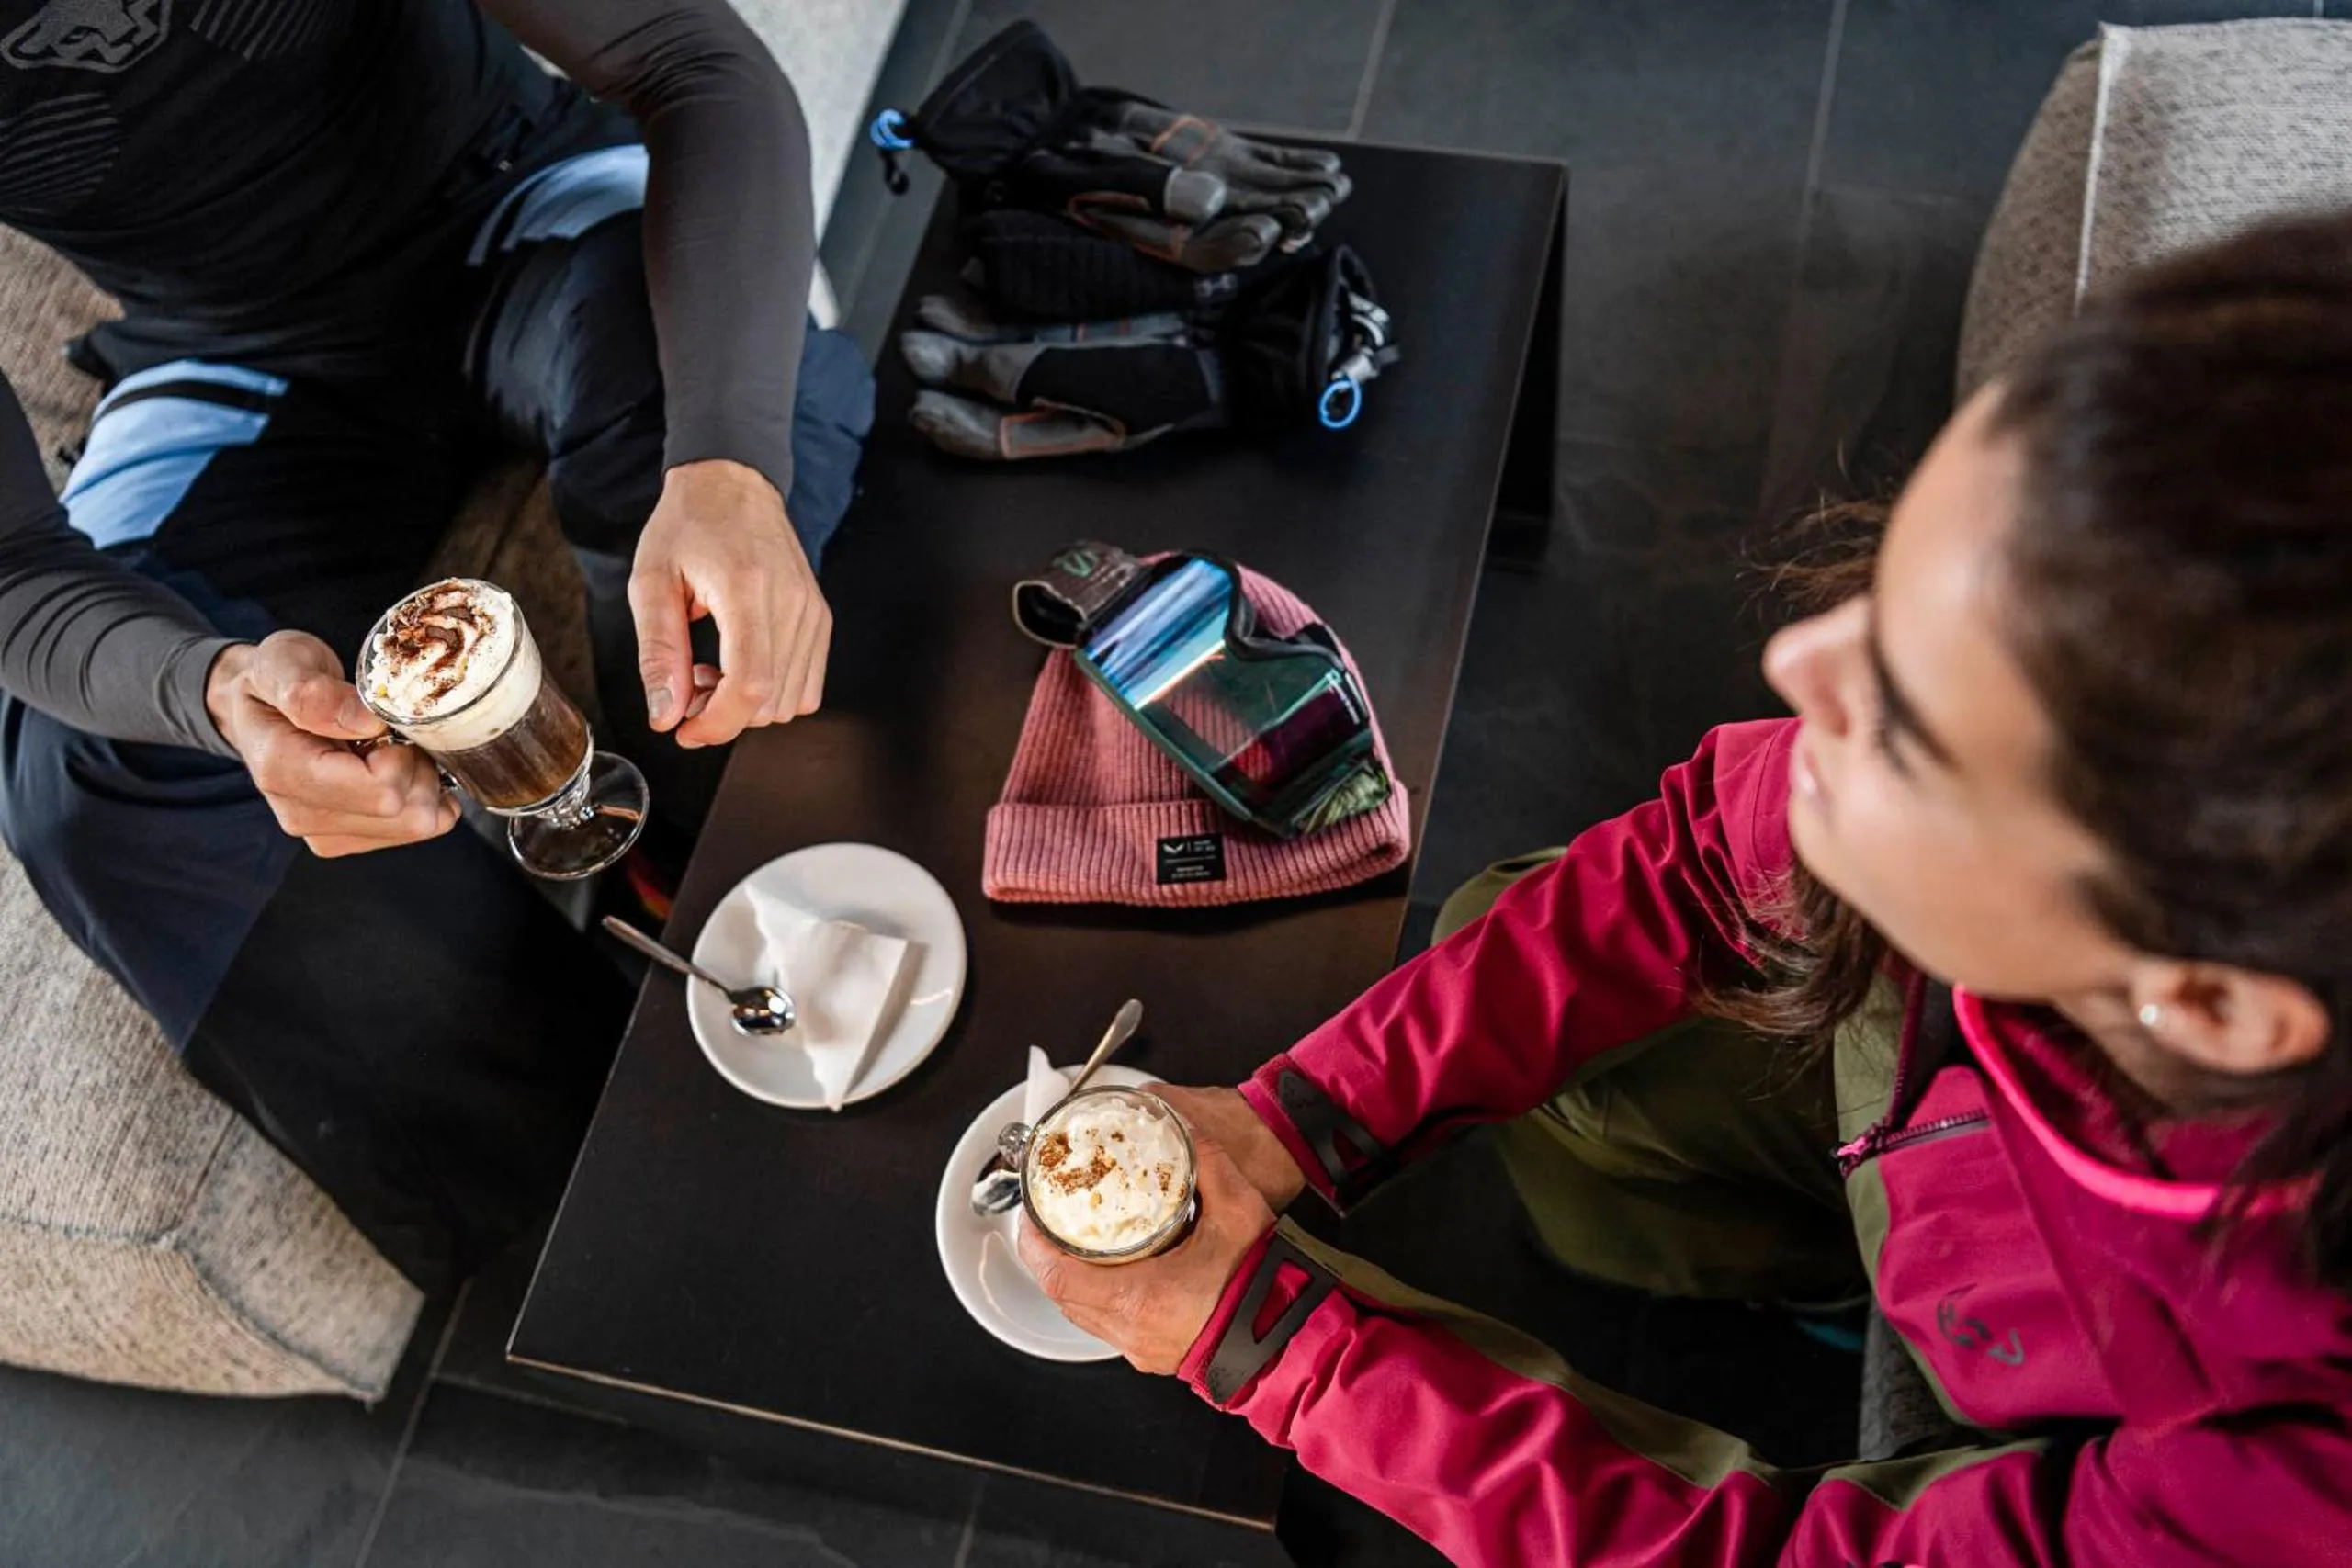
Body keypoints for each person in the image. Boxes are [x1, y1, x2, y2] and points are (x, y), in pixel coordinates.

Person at [1024, 210, 2352, 1564]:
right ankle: (1819, 1261)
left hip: (2084, 1355)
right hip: (1974, 1122)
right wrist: (1301, 1117)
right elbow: (1694, 861)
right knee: (1510, 939)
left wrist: (1279, 1347)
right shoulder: (2181, 777)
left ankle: (1903, 1308)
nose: (1801, 669)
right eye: (1884, 596)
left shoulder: (2295, 1479)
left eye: (1910, 728)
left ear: (2212, 1002)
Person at [0, 0, 874, 1289]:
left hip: (515, 206)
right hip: (227, 351)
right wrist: (218, 691)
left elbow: (694, 65)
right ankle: (626, 1203)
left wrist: (728, 464)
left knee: (703, 464)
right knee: (87, 780)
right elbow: (15, 569)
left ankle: (771, 901)